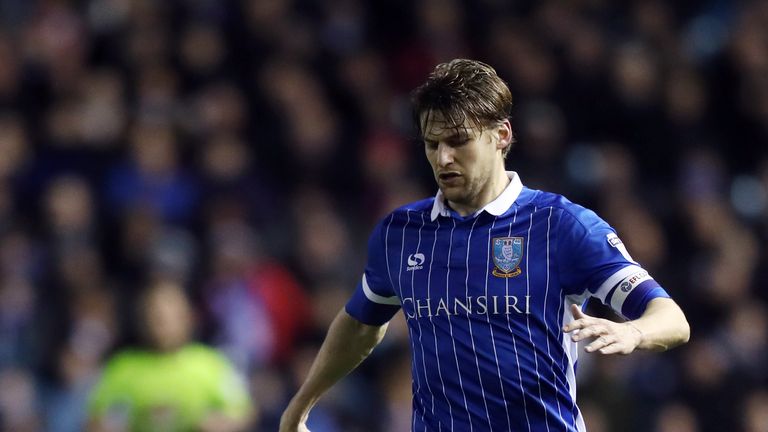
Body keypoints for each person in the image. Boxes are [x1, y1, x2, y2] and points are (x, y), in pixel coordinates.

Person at [279, 59, 690, 432]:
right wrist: (300, 406)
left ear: (501, 135)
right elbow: (359, 324)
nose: (443, 158)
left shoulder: (560, 225)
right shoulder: (400, 233)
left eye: (458, 140)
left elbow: (671, 317)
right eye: (432, 143)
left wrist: (633, 332)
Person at [87, 279, 254, 432]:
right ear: (143, 320)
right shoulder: (123, 366)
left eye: (171, 315)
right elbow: (95, 420)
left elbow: (243, 412)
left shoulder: (210, 363)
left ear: (187, 317)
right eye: (156, 315)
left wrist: (220, 424)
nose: (163, 322)